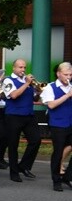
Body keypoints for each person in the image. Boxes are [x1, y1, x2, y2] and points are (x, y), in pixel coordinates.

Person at [3, 59, 40, 182]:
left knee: (36, 140)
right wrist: (26, 84)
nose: (23, 70)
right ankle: (14, 172)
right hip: (13, 116)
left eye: (24, 67)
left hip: (29, 115)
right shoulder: (8, 80)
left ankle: (23, 166)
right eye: (20, 67)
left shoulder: (27, 82)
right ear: (13, 68)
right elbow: (13, 95)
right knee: (13, 145)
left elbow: (34, 97)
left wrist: (38, 91)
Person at [40, 62, 72, 192]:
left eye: (70, 75)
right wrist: (67, 95)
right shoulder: (50, 87)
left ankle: (68, 176)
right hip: (58, 124)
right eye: (66, 74)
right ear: (58, 74)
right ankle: (56, 179)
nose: (68, 77)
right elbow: (51, 105)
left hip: (71, 122)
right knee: (58, 152)